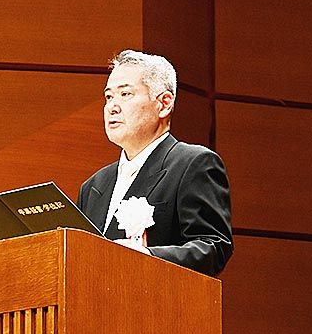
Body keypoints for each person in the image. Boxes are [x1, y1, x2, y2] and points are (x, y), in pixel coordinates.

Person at [77, 49, 233, 277]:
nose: (112, 106)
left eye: (125, 94)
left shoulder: (193, 163)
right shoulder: (93, 186)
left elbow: (212, 247)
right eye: (109, 97)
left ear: (164, 104)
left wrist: (146, 256)